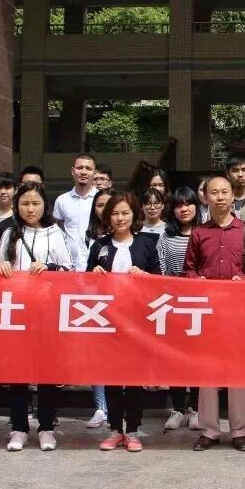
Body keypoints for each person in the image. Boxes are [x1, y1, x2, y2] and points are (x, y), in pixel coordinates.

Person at [184, 176, 245, 451]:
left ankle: (240, 430)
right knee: (207, 372)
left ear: (233, 196)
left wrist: (243, 280)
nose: (219, 197)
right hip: (207, 311)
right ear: (205, 198)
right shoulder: (199, 233)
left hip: (237, 311)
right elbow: (188, 268)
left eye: (224, 192)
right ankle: (209, 430)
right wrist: (197, 281)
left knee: (237, 372)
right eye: (214, 193)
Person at [0, 182, 72, 451]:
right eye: (25, 203)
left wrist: (49, 267)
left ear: (44, 205)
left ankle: (46, 427)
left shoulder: (56, 233)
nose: (30, 209)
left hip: (47, 312)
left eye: (35, 203)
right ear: (17, 206)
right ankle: (18, 428)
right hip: (17, 311)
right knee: (18, 373)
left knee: (47, 372)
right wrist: (2, 266)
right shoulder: (9, 233)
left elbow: (69, 269)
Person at [87, 191, 161, 452]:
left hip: (137, 322)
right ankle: (115, 429)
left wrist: (144, 275)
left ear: (134, 215)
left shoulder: (146, 244)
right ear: (108, 216)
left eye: (125, 213)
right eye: (115, 213)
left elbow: (159, 280)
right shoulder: (99, 246)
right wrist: (93, 274)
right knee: (111, 377)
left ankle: (133, 430)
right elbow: (84, 283)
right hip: (107, 322)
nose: (120, 218)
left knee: (134, 377)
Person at [157, 185, 203, 432]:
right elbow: (161, 266)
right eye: (178, 205)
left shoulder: (205, 232)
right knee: (174, 359)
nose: (184, 209)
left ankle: (194, 409)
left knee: (196, 359)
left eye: (188, 204)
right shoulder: (166, 236)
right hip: (173, 303)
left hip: (198, 304)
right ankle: (177, 409)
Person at [78, 188, 114, 430]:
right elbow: (82, 269)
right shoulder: (89, 237)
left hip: (123, 304)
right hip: (95, 303)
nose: (105, 210)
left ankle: (120, 406)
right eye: (100, 205)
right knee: (98, 356)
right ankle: (101, 407)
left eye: (109, 205)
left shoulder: (130, 236)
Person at [51, 153, 99, 264]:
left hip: (97, 264)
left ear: (95, 173)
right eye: (79, 168)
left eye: (88, 168)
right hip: (69, 263)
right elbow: (57, 230)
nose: (83, 172)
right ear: (73, 171)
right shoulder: (62, 200)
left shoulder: (102, 200)